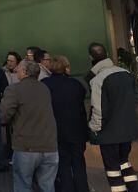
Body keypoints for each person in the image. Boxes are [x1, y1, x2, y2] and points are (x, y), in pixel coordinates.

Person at [87, 42, 138, 192]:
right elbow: (136, 97)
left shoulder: (98, 80)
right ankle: (135, 189)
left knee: (113, 169)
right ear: (107, 55)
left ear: (90, 57)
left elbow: (97, 109)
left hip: (109, 133)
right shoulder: (126, 73)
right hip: (127, 130)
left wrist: (94, 129)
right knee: (124, 162)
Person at [0, 60, 58, 192]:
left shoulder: (14, 89)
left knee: (23, 184)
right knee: (47, 186)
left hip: (26, 146)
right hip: (50, 145)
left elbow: (4, 115)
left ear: (24, 72)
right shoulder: (45, 88)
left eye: (18, 68)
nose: (16, 70)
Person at [42, 55, 89, 192]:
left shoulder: (45, 84)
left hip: (56, 132)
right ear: (66, 68)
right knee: (79, 164)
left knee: (63, 165)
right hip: (77, 132)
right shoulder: (75, 84)